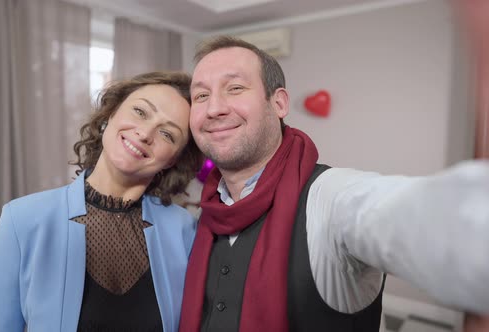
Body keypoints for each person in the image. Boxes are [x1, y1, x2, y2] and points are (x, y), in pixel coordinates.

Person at [178, 36, 489, 332]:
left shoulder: (332, 197)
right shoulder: (203, 217)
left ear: (279, 103)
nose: (214, 107)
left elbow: (436, 221)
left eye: (234, 88)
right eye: (201, 95)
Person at [0, 71, 203, 332]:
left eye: (167, 134)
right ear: (110, 114)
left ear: (173, 159)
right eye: (140, 112)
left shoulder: (185, 230)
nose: (144, 133)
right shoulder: (22, 219)